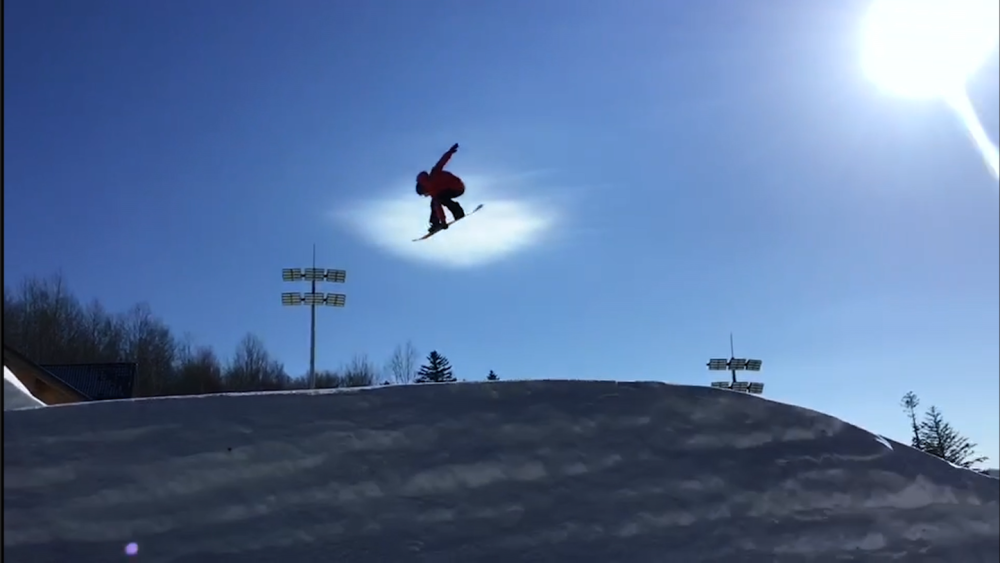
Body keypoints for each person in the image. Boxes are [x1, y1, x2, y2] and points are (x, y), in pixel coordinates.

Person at [415, 143, 466, 234]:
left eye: (425, 194)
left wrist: (443, 222)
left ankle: (457, 213)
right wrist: (450, 152)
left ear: (424, 189)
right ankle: (436, 223)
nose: (426, 195)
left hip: (457, 188)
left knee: (439, 200)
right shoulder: (433, 175)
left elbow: (438, 207)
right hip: (453, 187)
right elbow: (442, 161)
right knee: (436, 201)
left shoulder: (433, 184)